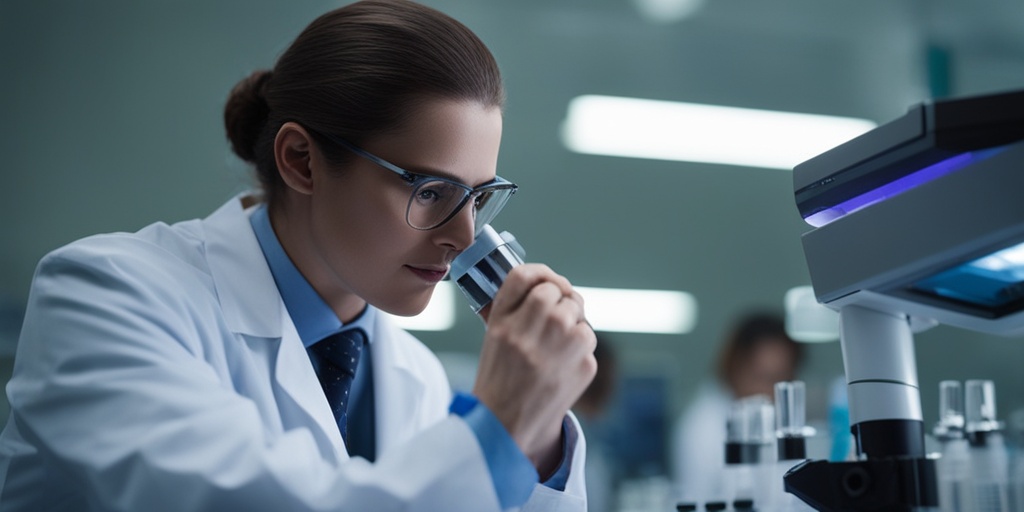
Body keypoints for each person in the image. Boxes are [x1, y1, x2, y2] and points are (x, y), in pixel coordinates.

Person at [0, 1, 596, 510]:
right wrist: (495, 432)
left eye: (479, 198)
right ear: (301, 161)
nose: (463, 239)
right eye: (430, 191)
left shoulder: (414, 377)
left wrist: (537, 432)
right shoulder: (104, 298)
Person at [671, 311, 803, 504]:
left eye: (780, 379)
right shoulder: (703, 427)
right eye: (761, 377)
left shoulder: (779, 426)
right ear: (734, 366)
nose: (769, 391)